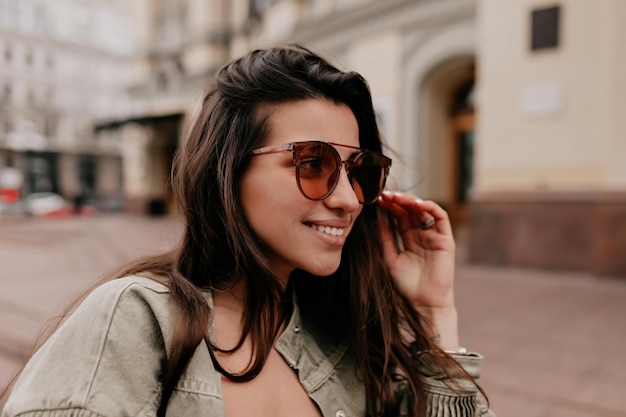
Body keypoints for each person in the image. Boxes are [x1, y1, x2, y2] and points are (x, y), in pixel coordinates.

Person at [1, 44, 494, 417]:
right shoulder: (137, 319)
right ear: (228, 170)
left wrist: (434, 313)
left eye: (359, 170)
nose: (347, 199)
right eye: (313, 162)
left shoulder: (345, 337)